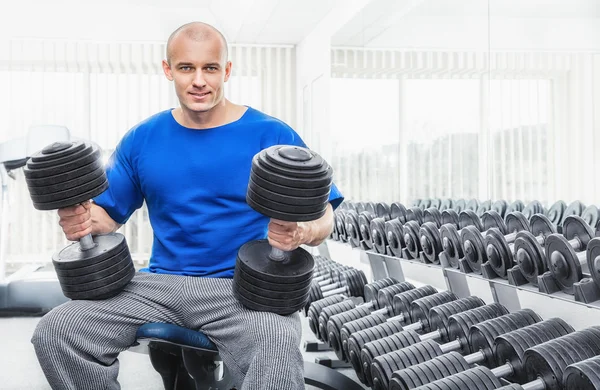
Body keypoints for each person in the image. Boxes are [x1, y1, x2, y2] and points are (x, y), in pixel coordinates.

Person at [31, 21, 343, 390]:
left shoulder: (270, 134)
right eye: (186, 68)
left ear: (226, 70)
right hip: (157, 285)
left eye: (210, 68)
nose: (199, 81)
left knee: (276, 340)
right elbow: (106, 216)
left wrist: (302, 231)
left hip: (238, 290)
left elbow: (325, 213)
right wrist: (79, 218)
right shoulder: (142, 138)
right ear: (168, 70)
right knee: (58, 331)